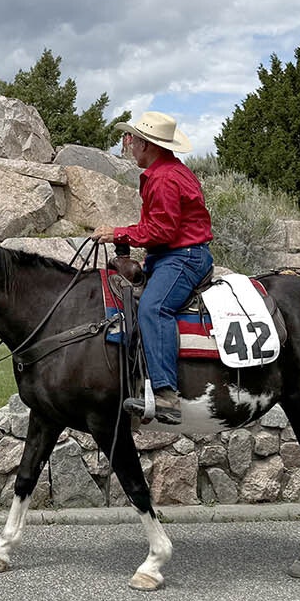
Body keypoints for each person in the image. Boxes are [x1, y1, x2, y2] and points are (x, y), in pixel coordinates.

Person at [90, 111, 211, 426]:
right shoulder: (168, 171)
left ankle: (167, 396)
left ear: (147, 144)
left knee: (154, 309)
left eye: (132, 139)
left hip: (183, 257)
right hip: (171, 254)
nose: (129, 146)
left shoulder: (165, 178)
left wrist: (119, 233)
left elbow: (163, 231)